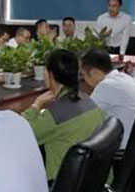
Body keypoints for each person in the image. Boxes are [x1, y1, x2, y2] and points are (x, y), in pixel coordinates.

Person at [21, 49, 105, 181]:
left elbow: (20, 134)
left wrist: (36, 105)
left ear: (50, 74)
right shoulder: (88, 101)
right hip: (93, 182)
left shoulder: (56, 113)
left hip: (63, 185)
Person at [80, 49, 135, 149]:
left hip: (124, 151)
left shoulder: (105, 86)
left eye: (84, 75)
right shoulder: (125, 78)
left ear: (94, 72)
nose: (85, 80)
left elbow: (85, 120)